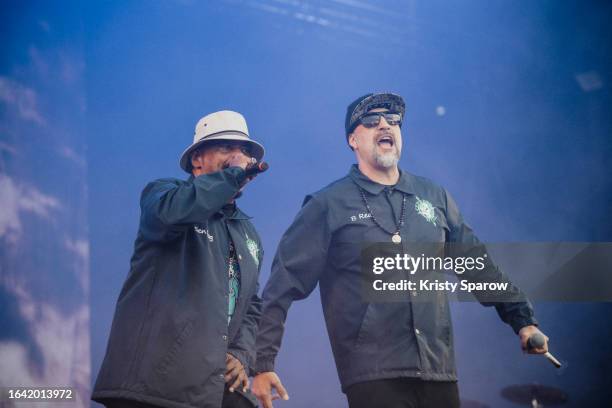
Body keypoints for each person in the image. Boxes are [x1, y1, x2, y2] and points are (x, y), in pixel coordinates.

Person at [251, 93, 549, 408]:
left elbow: (478, 267)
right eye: (372, 121)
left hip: (438, 369)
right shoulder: (328, 204)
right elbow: (281, 286)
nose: (386, 126)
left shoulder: (433, 197)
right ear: (353, 139)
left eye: (393, 122)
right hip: (373, 375)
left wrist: (523, 319)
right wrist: (262, 363)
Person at [92, 110, 265, 408]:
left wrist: (240, 353)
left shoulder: (247, 232)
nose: (240, 157)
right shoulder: (165, 194)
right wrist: (234, 173)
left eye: (245, 151)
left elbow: (251, 304)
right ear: (197, 159)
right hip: (152, 387)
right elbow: (174, 214)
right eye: (226, 148)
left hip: (207, 386)